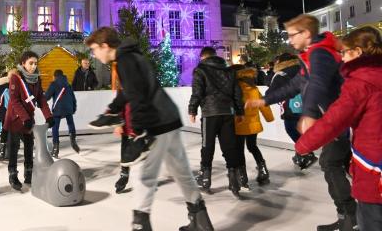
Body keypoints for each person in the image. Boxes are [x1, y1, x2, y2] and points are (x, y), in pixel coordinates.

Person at [86, 27, 213, 231]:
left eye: (94, 49)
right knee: (181, 172)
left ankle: (140, 225)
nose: (94, 54)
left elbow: (137, 96)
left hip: (156, 122)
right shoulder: (131, 56)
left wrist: (139, 131)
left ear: (104, 45)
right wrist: (112, 110)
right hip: (169, 119)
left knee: (143, 176)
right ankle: (201, 221)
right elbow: (131, 91)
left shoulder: (126, 61)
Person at [246, 14, 356, 231]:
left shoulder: (320, 54)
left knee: (330, 163)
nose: (290, 40)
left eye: (292, 35)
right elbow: (296, 85)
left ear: (306, 33)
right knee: (343, 165)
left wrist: (309, 113)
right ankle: (352, 215)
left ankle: (350, 216)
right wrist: (265, 100)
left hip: (340, 119)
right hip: (334, 119)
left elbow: (317, 84)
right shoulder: (310, 55)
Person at [295, 26, 382, 231]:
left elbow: (335, 119)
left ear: (358, 52)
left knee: (372, 218)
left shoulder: (360, 82)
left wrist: (304, 144)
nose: (341, 58)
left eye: (344, 52)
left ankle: (348, 217)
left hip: (374, 166)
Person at [188, 46, 245, 197]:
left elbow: (197, 92)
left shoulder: (200, 70)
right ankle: (234, 179)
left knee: (208, 145)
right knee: (229, 146)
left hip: (210, 114)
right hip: (227, 112)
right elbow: (237, 93)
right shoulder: (229, 70)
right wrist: (239, 111)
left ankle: (205, 177)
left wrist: (192, 109)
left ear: (203, 57)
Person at [4, 51, 54, 190]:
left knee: (28, 145)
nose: (33, 66)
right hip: (15, 118)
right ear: (23, 64)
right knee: (13, 147)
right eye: (30, 63)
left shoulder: (37, 78)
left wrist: (48, 115)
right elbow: (14, 101)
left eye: (35, 63)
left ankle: (29, 173)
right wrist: (25, 118)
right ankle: (13, 174)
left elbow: (41, 99)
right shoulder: (16, 78)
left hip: (28, 120)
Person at [267, 52, 318, 168]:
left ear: (280, 62)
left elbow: (271, 92)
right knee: (304, 132)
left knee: (291, 129)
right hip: (310, 107)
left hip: (291, 108)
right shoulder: (305, 69)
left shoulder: (281, 74)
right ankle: (301, 155)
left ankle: (306, 153)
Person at [230, 64, 274, 188]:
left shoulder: (235, 88)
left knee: (239, 150)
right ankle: (263, 169)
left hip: (238, 123)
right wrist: (269, 118)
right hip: (253, 124)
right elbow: (263, 104)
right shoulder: (253, 88)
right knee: (252, 147)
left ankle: (242, 176)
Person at [44, 69, 79, 158]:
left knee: (55, 127)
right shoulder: (68, 84)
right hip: (68, 108)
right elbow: (73, 98)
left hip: (58, 109)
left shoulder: (54, 84)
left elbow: (47, 97)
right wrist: (73, 108)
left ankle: (55, 148)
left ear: (54, 76)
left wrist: (40, 100)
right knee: (70, 122)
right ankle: (73, 139)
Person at [0, 70, 14, 161]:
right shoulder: (20, 87)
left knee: (4, 132)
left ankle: (2, 152)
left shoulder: (1, 86)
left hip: (5, 113)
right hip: (15, 114)